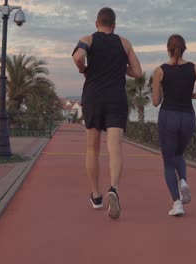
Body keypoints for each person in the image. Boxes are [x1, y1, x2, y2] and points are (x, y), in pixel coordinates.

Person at [72, 7, 142, 219]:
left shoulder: (88, 39)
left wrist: (84, 69)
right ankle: (113, 188)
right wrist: (122, 67)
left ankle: (96, 196)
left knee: (92, 148)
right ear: (114, 24)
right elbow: (138, 72)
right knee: (115, 148)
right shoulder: (124, 43)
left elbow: (77, 57)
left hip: (93, 97)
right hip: (116, 99)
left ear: (97, 23)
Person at [151, 34, 196, 216]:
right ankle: (183, 180)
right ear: (184, 48)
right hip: (188, 117)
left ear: (168, 49)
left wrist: (162, 92)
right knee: (179, 153)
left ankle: (177, 203)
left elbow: (155, 102)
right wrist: (191, 95)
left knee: (168, 161)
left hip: (168, 116)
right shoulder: (195, 68)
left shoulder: (159, 70)